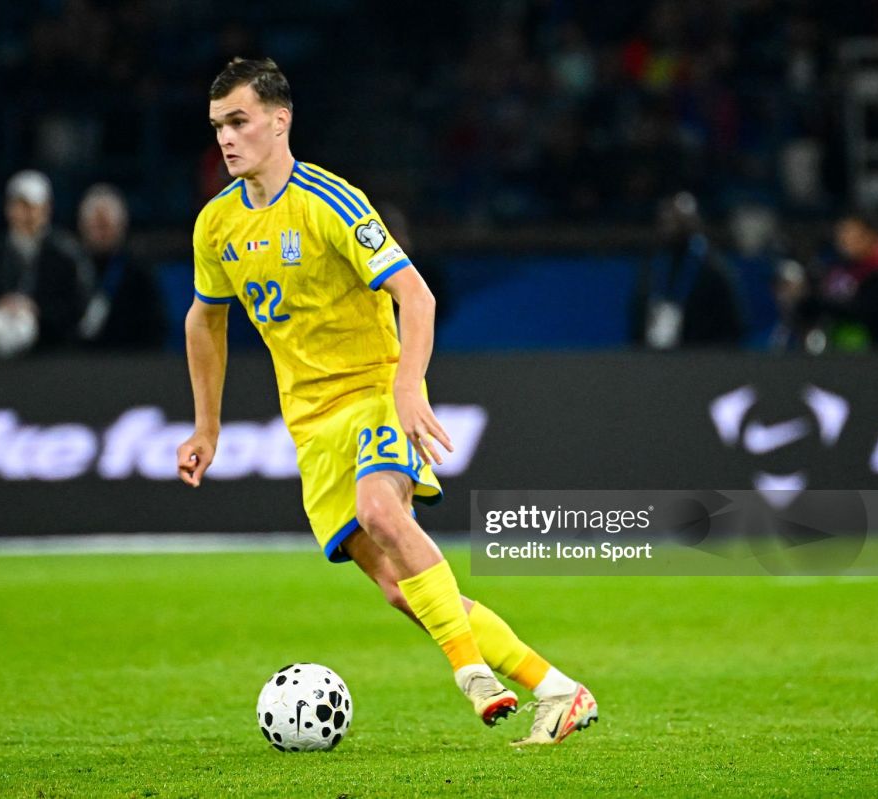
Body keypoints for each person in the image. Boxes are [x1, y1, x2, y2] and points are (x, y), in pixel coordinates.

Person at [176, 58, 597, 745]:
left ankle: (472, 676)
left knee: (380, 509)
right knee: (402, 590)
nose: (225, 137)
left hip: (374, 392)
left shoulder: (330, 202)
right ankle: (556, 688)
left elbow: (416, 296)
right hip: (311, 426)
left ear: (280, 121)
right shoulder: (215, 225)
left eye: (239, 121)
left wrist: (407, 387)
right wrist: (206, 426)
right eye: (218, 124)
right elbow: (205, 320)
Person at [0, 170, 93, 358]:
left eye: (34, 207)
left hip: (54, 354)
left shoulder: (65, 253)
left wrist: (38, 311)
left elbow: (77, 304)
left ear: (47, 209)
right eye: (21, 206)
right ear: (8, 209)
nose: (27, 215)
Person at [782, 213, 878, 352]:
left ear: (870, 235)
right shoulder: (844, 266)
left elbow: (870, 310)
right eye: (840, 233)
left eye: (849, 233)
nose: (842, 239)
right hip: (848, 353)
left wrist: (822, 305)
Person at [630, 192, 745, 349]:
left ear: (694, 223)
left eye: (678, 221)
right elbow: (637, 313)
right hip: (654, 356)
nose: (670, 226)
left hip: (700, 356)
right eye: (666, 221)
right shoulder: (653, 265)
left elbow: (734, 325)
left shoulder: (713, 268)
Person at [76, 183, 168, 350]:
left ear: (121, 226)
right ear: (82, 226)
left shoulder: (139, 273)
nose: (101, 233)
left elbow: (155, 329)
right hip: (73, 361)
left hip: (127, 359)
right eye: (96, 225)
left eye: (106, 225)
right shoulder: (69, 268)